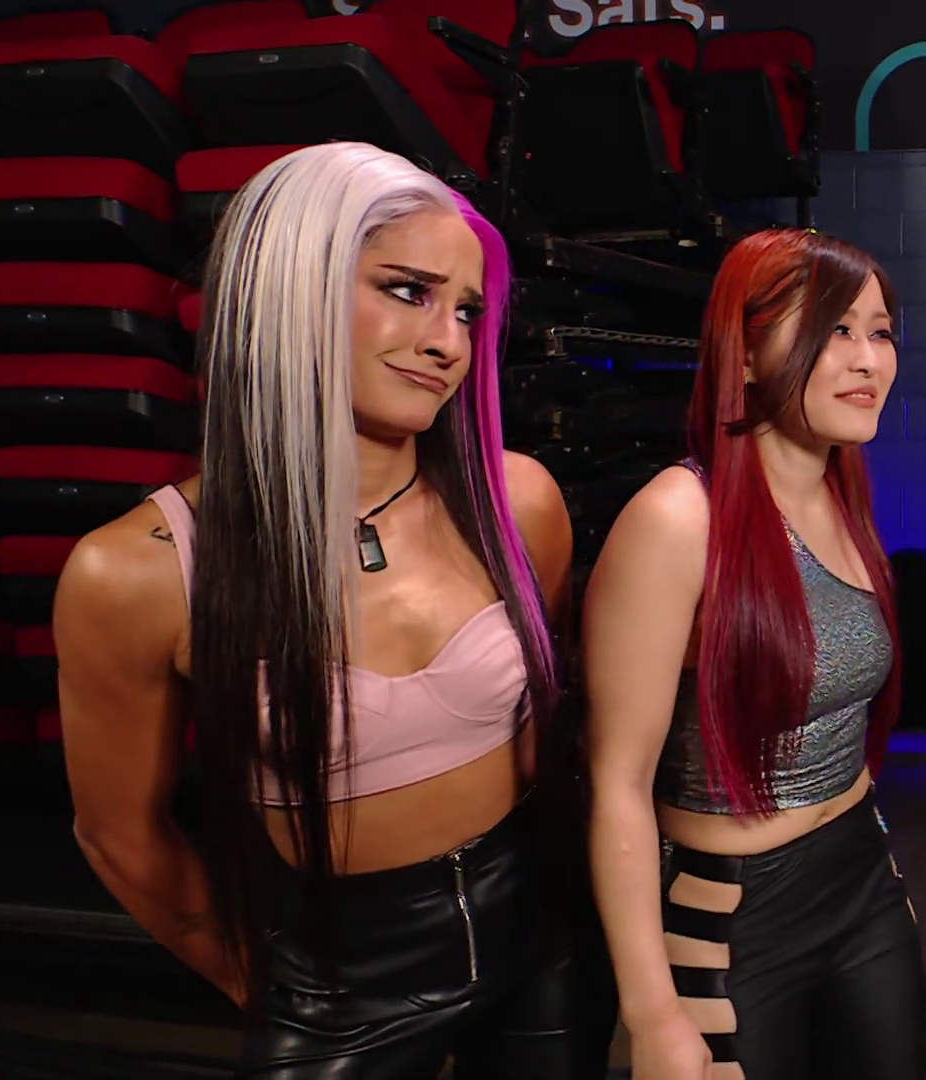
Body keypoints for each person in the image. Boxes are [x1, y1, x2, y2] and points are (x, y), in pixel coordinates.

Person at [53, 142, 607, 1078]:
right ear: (290, 290)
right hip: (343, 977)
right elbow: (120, 834)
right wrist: (277, 995)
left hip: (543, 933)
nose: (449, 343)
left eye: (466, 310)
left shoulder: (518, 503)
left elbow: (558, 742)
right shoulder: (136, 573)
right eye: (408, 290)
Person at [584, 227, 926, 1080]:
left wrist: (875, 873)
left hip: (859, 877)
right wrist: (650, 1013)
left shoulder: (843, 494)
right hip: (736, 912)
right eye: (832, 331)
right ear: (742, 357)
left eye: (879, 332)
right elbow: (618, 783)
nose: (867, 360)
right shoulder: (678, 520)